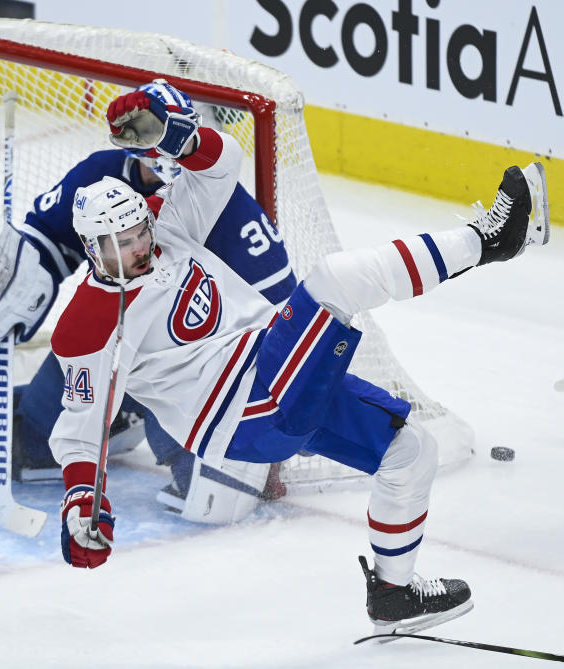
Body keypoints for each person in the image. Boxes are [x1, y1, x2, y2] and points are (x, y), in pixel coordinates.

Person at [50, 84, 549, 636]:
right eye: (120, 241)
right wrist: (80, 504)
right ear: (92, 248)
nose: (138, 245)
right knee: (336, 281)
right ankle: (492, 239)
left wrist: (174, 137)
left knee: (410, 453)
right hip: (245, 412)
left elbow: (222, 167)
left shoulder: (168, 231)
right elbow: (80, 430)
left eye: (138, 229)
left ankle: (394, 594)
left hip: (268, 372)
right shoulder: (88, 324)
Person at [0, 80, 295, 518]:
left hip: (205, 363)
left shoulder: (220, 204)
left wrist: (269, 428)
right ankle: (90, 413)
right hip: (127, 339)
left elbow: (281, 322)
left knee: (217, 496)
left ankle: (162, 425)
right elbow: (48, 236)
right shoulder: (101, 180)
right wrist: (18, 284)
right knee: (29, 444)